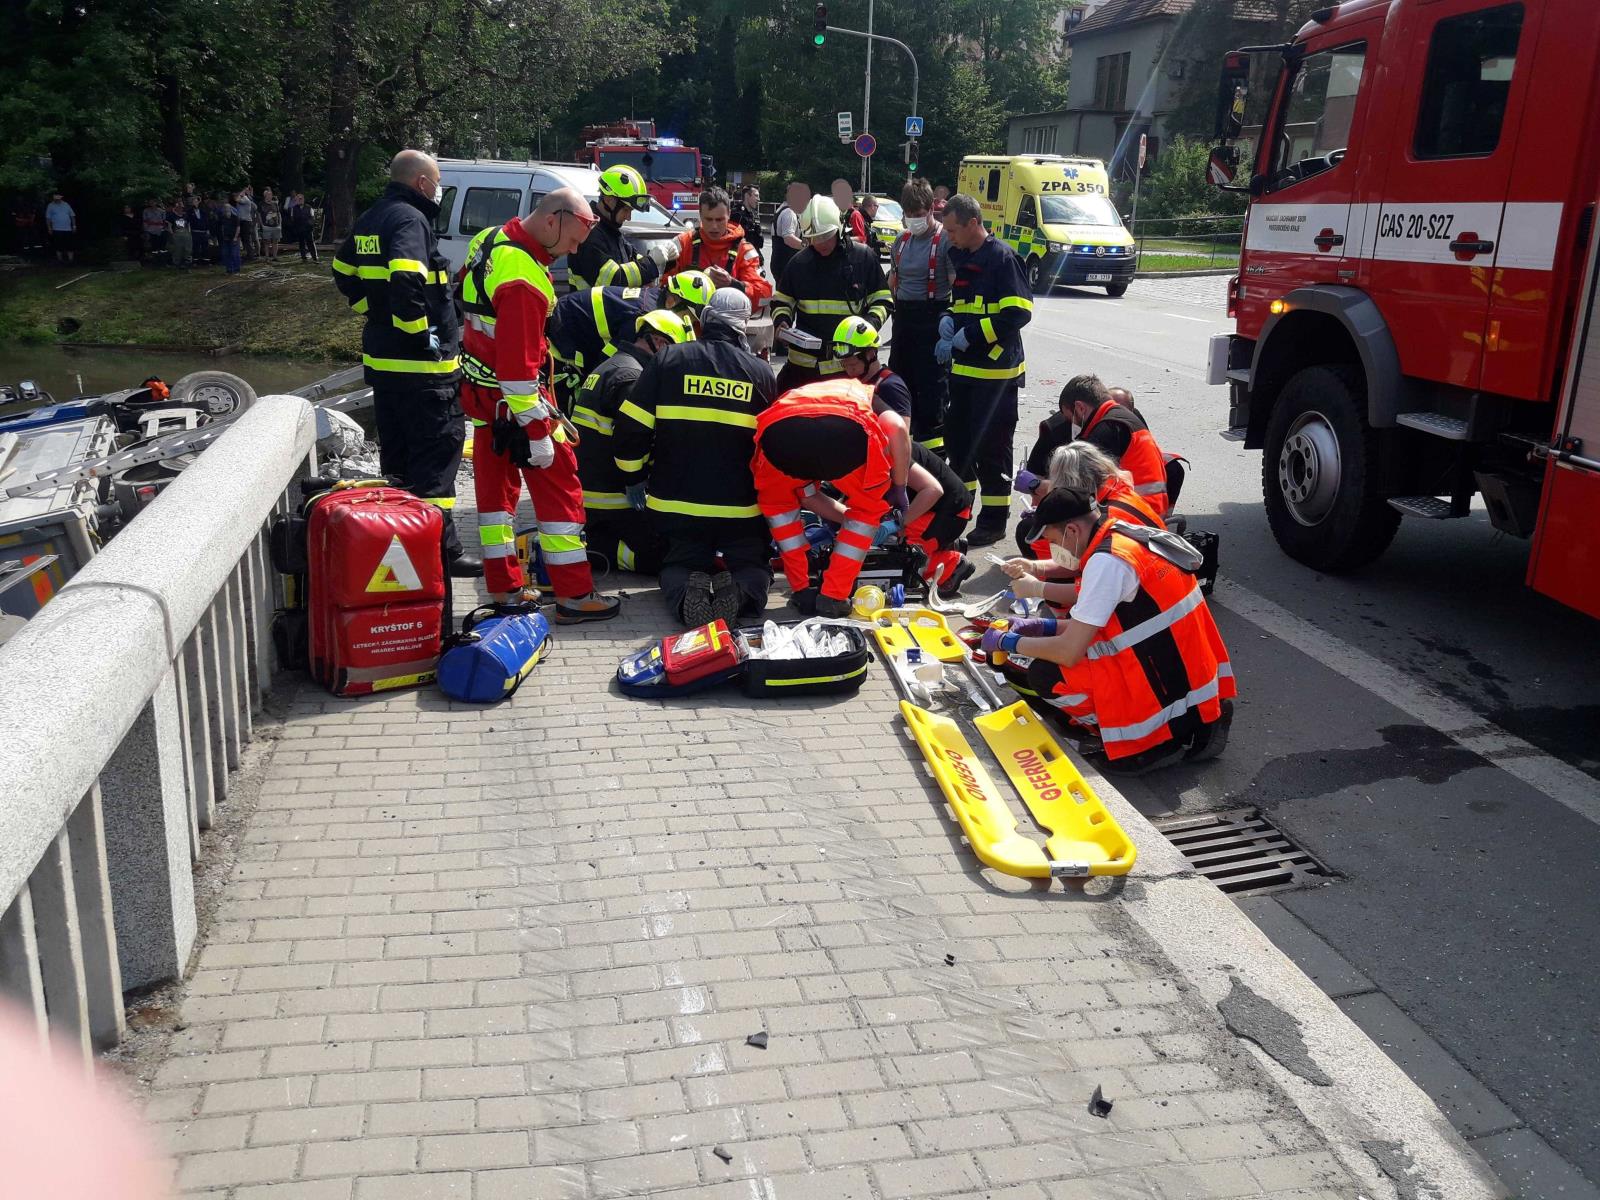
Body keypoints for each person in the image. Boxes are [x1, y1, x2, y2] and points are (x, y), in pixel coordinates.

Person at [455, 187, 621, 619]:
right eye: (573, 239)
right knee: (562, 491)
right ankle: (573, 595)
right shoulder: (524, 280)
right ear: (554, 219)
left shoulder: (490, 240)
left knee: (494, 502)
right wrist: (538, 432)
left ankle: (505, 591)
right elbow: (517, 370)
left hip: (484, 399)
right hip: (517, 404)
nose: (573, 251)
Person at [982, 487, 1234, 770]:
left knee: (1046, 674)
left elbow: (1069, 652)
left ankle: (1151, 742)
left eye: (1054, 541)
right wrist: (1043, 626)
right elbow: (1116, 624)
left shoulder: (1107, 563)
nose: (1056, 551)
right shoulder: (1120, 534)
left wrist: (1008, 642)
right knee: (1060, 654)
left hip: (1162, 677)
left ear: (1073, 531)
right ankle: (1200, 719)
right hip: (1187, 668)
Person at [333, 150, 479, 576]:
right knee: (435, 460)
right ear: (420, 183)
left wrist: (371, 310)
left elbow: (343, 269)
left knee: (396, 461)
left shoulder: (372, 216)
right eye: (436, 182)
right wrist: (421, 337)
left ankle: (403, 545)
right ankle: (441, 554)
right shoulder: (410, 220)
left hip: (385, 366)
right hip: (423, 374)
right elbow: (406, 276)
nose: (438, 190)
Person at [613, 288, 779, 626]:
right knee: (752, 565)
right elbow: (772, 446)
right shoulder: (760, 373)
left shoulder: (668, 360)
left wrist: (633, 478)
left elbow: (631, 427)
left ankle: (686, 594)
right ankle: (742, 590)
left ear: (704, 320)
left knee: (677, 565)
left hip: (675, 505)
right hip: (740, 509)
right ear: (742, 327)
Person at [753, 378, 909, 617]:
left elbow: (808, 494)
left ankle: (802, 591)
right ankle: (833, 598)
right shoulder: (869, 396)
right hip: (844, 432)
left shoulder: (804, 392)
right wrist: (900, 486)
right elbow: (897, 427)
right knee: (866, 512)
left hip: (778, 436)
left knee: (781, 513)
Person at [937, 192, 1033, 546]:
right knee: (959, 445)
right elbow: (961, 304)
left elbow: (1018, 312)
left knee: (993, 452)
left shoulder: (1003, 259)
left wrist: (971, 335)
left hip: (995, 375)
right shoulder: (961, 256)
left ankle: (993, 522)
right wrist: (948, 319)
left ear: (974, 223)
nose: (949, 237)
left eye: (953, 230)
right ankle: (962, 508)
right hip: (964, 371)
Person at [572, 309, 690, 575]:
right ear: (659, 343)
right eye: (674, 352)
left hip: (595, 492)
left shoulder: (616, 364)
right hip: (610, 500)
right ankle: (596, 549)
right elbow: (633, 439)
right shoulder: (632, 377)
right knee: (669, 556)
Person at [1004, 441, 1164, 604]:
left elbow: (1092, 592)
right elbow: (1078, 564)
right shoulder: (1117, 492)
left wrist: (1038, 588)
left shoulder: (1106, 521)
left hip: (1146, 599)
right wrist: (1034, 567)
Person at [770, 196, 891, 391]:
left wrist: (868, 326)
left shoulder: (863, 258)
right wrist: (781, 321)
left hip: (848, 368)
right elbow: (782, 300)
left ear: (840, 229)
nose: (820, 243)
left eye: (826, 236)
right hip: (803, 370)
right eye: (814, 238)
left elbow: (883, 300)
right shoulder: (798, 263)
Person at [888, 179, 952, 456]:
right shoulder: (901, 242)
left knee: (931, 399)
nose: (914, 219)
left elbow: (955, 283)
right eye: (909, 214)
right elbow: (892, 280)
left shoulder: (945, 240)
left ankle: (933, 462)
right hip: (903, 322)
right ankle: (902, 457)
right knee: (898, 392)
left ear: (930, 210)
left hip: (931, 322)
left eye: (919, 213)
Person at [1063, 374, 1172, 518]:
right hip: (1145, 510)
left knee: (1051, 528)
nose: (1073, 425)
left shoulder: (1107, 429)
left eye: (1070, 418)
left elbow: (1080, 488)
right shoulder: (1124, 418)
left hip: (1132, 516)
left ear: (1080, 408)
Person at [568, 165, 678, 291]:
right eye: (626, 209)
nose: (629, 217)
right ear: (609, 200)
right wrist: (651, 262)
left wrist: (666, 260)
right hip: (588, 311)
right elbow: (611, 281)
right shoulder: (588, 234)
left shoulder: (611, 233)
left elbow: (635, 263)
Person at [662, 187, 771, 306]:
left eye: (719, 220)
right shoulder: (683, 243)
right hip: (686, 321)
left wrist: (733, 284)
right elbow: (662, 286)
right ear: (700, 215)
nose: (714, 226)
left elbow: (764, 295)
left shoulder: (744, 251)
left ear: (729, 215)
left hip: (726, 322)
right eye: (708, 219)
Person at [770, 180, 809, 282]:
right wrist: (809, 246)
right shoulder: (789, 212)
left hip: (780, 261)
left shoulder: (782, 208)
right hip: (786, 263)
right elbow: (788, 238)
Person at [730, 184, 764, 261]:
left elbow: (758, 241)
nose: (758, 199)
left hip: (753, 255)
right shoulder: (737, 213)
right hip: (741, 258)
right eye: (756, 196)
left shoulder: (754, 214)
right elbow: (733, 240)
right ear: (747, 196)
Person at [830, 178, 868, 242]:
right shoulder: (836, 213)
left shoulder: (855, 215)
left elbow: (862, 238)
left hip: (852, 250)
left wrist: (844, 240)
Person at [44, 193, 76, 264]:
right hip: (56, 228)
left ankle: (71, 260)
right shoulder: (50, 205)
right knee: (58, 245)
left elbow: (72, 215)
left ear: (61, 197)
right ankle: (60, 260)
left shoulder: (66, 204)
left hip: (67, 228)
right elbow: (48, 218)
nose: (57, 197)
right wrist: (49, 228)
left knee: (69, 245)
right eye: (55, 196)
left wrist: (74, 226)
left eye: (58, 196)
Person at [287, 193, 317, 261]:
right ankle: (304, 258)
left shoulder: (309, 208)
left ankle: (314, 257)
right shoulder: (293, 209)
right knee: (301, 244)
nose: (300, 200)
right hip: (299, 229)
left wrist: (309, 225)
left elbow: (312, 218)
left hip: (308, 230)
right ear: (296, 200)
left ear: (303, 199)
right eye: (299, 199)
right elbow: (292, 219)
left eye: (301, 198)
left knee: (311, 244)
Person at [216, 195, 242, 274]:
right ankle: (229, 269)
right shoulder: (222, 218)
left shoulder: (235, 217)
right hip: (226, 238)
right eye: (225, 209)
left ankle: (237, 269)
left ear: (231, 209)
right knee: (226, 254)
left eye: (228, 209)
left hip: (234, 238)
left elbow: (238, 228)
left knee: (235, 254)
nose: (226, 210)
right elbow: (221, 227)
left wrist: (235, 237)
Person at [166, 199, 192, 268]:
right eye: (179, 207)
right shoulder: (171, 215)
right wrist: (172, 234)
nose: (180, 208)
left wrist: (189, 233)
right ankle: (176, 262)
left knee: (187, 248)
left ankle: (186, 261)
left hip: (186, 234)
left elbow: (188, 225)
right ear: (176, 207)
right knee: (177, 249)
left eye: (181, 207)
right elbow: (169, 226)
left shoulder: (186, 215)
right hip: (176, 234)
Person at [234, 186, 257, 259]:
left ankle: (251, 255)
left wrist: (241, 193)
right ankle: (247, 254)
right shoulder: (241, 198)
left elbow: (237, 199)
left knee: (247, 239)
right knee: (243, 239)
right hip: (241, 221)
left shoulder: (245, 199)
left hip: (246, 221)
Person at [259, 187, 282, 260]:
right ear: (265, 196)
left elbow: (278, 214)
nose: (270, 196)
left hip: (276, 226)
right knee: (266, 242)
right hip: (266, 226)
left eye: (271, 195)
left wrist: (280, 224)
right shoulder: (261, 204)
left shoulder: (275, 204)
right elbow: (259, 214)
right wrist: (262, 224)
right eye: (268, 195)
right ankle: (267, 257)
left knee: (275, 241)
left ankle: (275, 256)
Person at [186, 195, 210, 264]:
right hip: (195, 232)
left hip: (204, 231)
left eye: (197, 201)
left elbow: (206, 221)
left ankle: (206, 261)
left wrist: (207, 230)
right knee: (196, 247)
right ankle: (195, 262)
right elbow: (188, 222)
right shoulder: (189, 212)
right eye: (194, 201)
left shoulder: (203, 211)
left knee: (205, 247)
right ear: (192, 203)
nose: (196, 203)